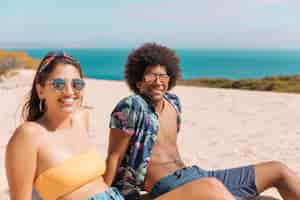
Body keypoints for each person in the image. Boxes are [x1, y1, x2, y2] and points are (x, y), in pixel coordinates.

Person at [104, 42, 300, 200]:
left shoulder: (173, 103)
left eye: (163, 75)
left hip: (196, 174)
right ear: (138, 82)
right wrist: (104, 194)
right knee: (213, 188)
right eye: (150, 75)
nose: (157, 80)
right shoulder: (132, 106)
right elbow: (114, 156)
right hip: (168, 186)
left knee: (278, 170)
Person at [5, 51, 124, 200]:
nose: (69, 92)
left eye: (77, 84)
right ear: (40, 90)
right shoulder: (29, 135)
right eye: (58, 84)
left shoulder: (82, 118)